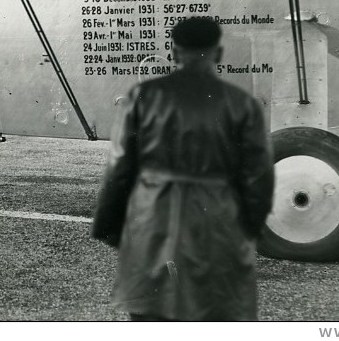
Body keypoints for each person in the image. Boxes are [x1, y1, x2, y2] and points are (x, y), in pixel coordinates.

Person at [91, 17, 274, 321]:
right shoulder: (243, 104)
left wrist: (109, 224)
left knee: (153, 308)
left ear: (174, 53)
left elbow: (120, 166)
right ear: (218, 54)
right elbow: (258, 176)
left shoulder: (143, 96)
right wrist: (250, 228)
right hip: (215, 217)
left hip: (154, 214)